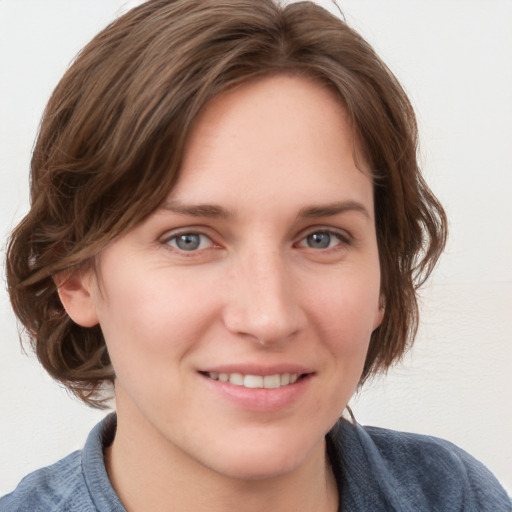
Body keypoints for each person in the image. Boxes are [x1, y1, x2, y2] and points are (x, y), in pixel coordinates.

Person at [1, 0, 510, 510]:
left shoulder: (455, 495)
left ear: (383, 273)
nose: (269, 318)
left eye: (321, 238)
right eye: (189, 240)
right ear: (74, 276)